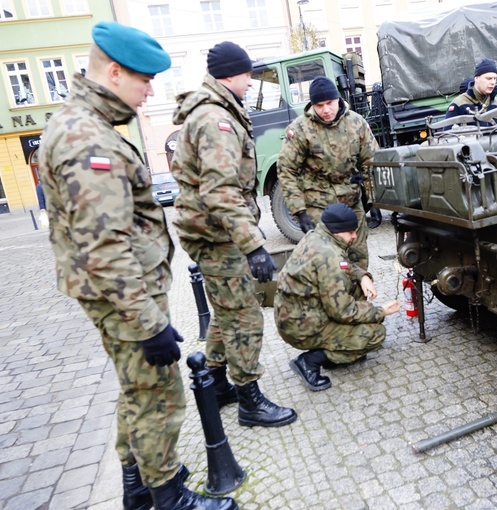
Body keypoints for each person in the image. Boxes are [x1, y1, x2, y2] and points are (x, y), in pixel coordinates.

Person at [38, 22, 236, 510]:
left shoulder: (86, 123)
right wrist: (150, 325)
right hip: (125, 300)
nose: (149, 92)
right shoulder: (88, 139)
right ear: (114, 71)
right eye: (144, 80)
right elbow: (105, 247)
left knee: (135, 390)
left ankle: (138, 483)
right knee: (156, 394)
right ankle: (167, 496)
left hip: (123, 294)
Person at [171, 41, 297, 428]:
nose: (251, 81)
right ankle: (249, 400)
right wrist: (254, 245)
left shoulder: (216, 110)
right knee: (244, 315)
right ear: (234, 73)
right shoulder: (215, 119)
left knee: (225, 313)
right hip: (218, 234)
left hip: (213, 230)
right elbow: (220, 190)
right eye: (249, 74)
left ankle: (216, 384)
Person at [274, 203, 400, 391]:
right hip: (301, 328)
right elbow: (343, 311)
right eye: (350, 232)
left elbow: (344, 265)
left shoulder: (318, 236)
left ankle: (339, 347)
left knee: (357, 287)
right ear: (337, 231)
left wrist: (362, 276)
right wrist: (380, 311)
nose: (355, 236)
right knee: (375, 334)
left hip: (295, 314)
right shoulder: (330, 257)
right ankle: (309, 361)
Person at [276, 75, 378, 269]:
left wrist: (374, 199)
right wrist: (299, 211)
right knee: (327, 264)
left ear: (338, 99)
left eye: (330, 103)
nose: (326, 110)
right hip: (318, 206)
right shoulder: (300, 129)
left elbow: (371, 162)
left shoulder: (356, 123)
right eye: (319, 105)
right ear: (312, 105)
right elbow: (286, 169)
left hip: (351, 202)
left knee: (358, 258)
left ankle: (359, 297)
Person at [444, 58, 497, 126]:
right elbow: (448, 134)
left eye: (495, 78)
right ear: (476, 79)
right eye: (488, 78)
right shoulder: (459, 104)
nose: (493, 82)